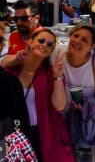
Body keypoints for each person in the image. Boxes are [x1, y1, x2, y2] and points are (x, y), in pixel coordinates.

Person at [3, 28, 74, 161]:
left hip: (44, 134)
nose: (44, 45)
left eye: (50, 44)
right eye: (41, 40)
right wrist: (13, 60)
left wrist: (57, 77)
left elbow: (59, 106)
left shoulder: (50, 73)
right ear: (30, 41)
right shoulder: (11, 69)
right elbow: (3, 64)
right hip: (16, 134)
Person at [62, 23, 95, 161]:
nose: (77, 41)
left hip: (86, 124)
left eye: (84, 40)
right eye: (76, 36)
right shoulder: (57, 56)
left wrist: (87, 107)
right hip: (59, 120)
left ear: (92, 46)